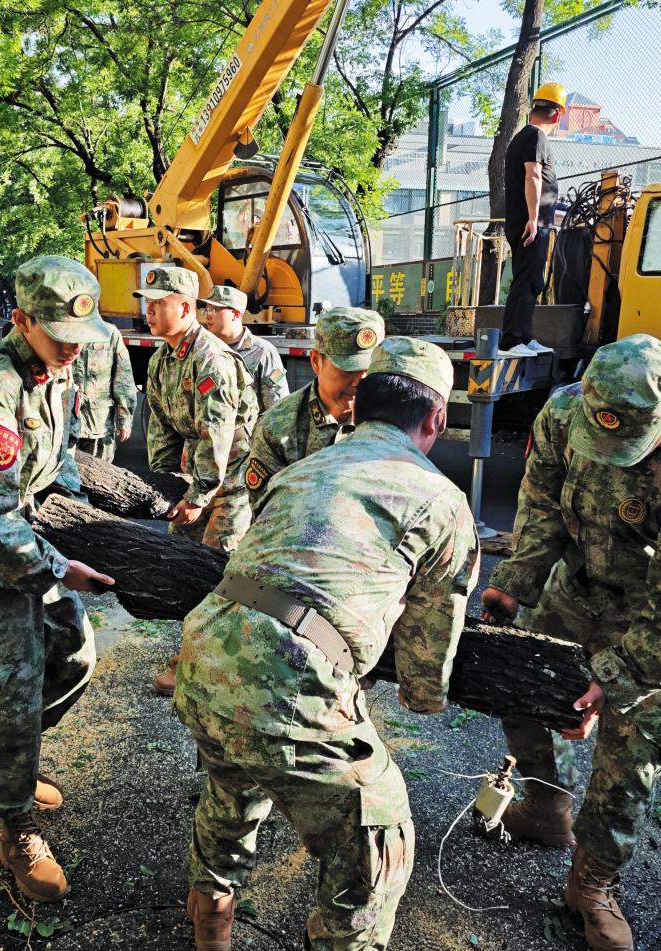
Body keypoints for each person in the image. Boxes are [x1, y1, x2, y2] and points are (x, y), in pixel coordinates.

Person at [175, 336, 481, 951]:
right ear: (437, 418)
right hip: (289, 679)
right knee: (380, 833)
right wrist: (423, 696)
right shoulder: (441, 500)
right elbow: (428, 650)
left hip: (203, 656)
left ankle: (211, 914)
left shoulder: (301, 469)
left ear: (358, 407)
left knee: (234, 778)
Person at [480, 334, 661, 951]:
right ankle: (546, 811)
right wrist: (515, 584)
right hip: (573, 590)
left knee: (634, 751)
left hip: (650, 616)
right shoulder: (562, 413)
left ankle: (592, 883)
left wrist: (617, 675)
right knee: (520, 689)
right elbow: (541, 503)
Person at [0, 254, 116, 903]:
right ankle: (16, 826)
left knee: (74, 654)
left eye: (79, 338)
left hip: (30, 545)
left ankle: (12, 755)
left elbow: (59, 459)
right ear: (22, 320)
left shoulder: (52, 368)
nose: (72, 349)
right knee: (8, 694)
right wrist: (60, 567)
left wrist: (74, 516)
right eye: (59, 336)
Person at [136, 266, 258, 696]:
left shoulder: (210, 359)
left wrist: (199, 495)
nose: (149, 311)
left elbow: (217, 433)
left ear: (186, 308)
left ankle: (224, 664)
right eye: (148, 303)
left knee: (222, 571)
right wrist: (167, 487)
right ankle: (194, 654)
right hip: (196, 478)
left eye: (159, 303)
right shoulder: (161, 360)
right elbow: (162, 429)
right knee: (183, 565)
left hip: (231, 481)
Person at [244, 307, 384, 516]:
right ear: (316, 361)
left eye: (369, 369)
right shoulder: (277, 428)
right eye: (347, 369)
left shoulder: (389, 420)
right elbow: (268, 514)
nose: (359, 380)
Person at [500, 81, 566, 357]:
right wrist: (534, 218)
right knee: (526, 279)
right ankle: (511, 341)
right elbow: (533, 175)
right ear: (558, 114)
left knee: (531, 280)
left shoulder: (524, 138)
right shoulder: (535, 137)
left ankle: (524, 337)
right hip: (530, 224)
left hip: (533, 223)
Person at [197, 284, 288, 412]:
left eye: (213, 310)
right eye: (206, 310)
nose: (208, 316)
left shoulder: (263, 351)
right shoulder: (205, 349)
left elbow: (278, 407)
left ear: (235, 313)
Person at [69, 318, 136, 461]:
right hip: (66, 425)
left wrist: (124, 419)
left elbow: (123, 378)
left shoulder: (108, 333)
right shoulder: (61, 331)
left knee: (101, 471)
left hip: (99, 425)